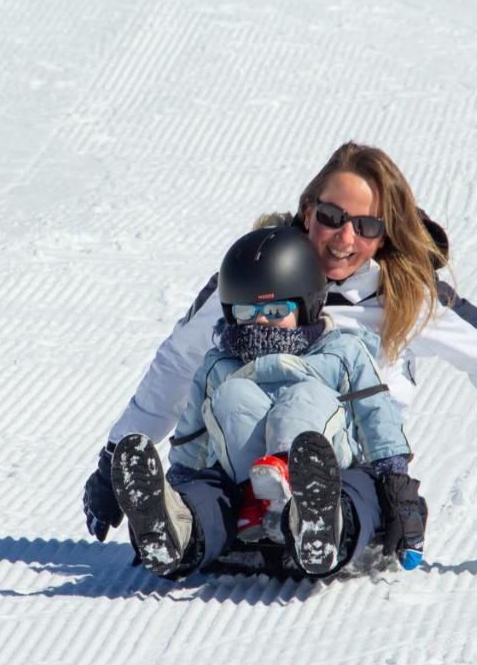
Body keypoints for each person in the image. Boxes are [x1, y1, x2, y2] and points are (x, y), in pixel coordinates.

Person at [84, 141, 477, 572]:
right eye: (331, 216)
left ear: (386, 234)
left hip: (347, 472)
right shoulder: (255, 275)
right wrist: (114, 457)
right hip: (239, 467)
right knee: (205, 487)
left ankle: (320, 524)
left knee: (352, 486)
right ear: (308, 210)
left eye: (367, 226)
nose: (344, 238)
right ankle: (176, 530)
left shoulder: (409, 298)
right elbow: (178, 363)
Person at [106, 227, 427, 579]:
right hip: (242, 496)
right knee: (216, 464)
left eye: (276, 310)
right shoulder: (219, 364)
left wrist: (396, 482)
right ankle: (178, 531)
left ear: (307, 305)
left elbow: (376, 418)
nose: (261, 321)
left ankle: (320, 522)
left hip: (332, 475)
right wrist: (179, 487)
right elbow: (192, 440)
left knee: (359, 482)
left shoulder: (343, 352)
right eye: (247, 311)